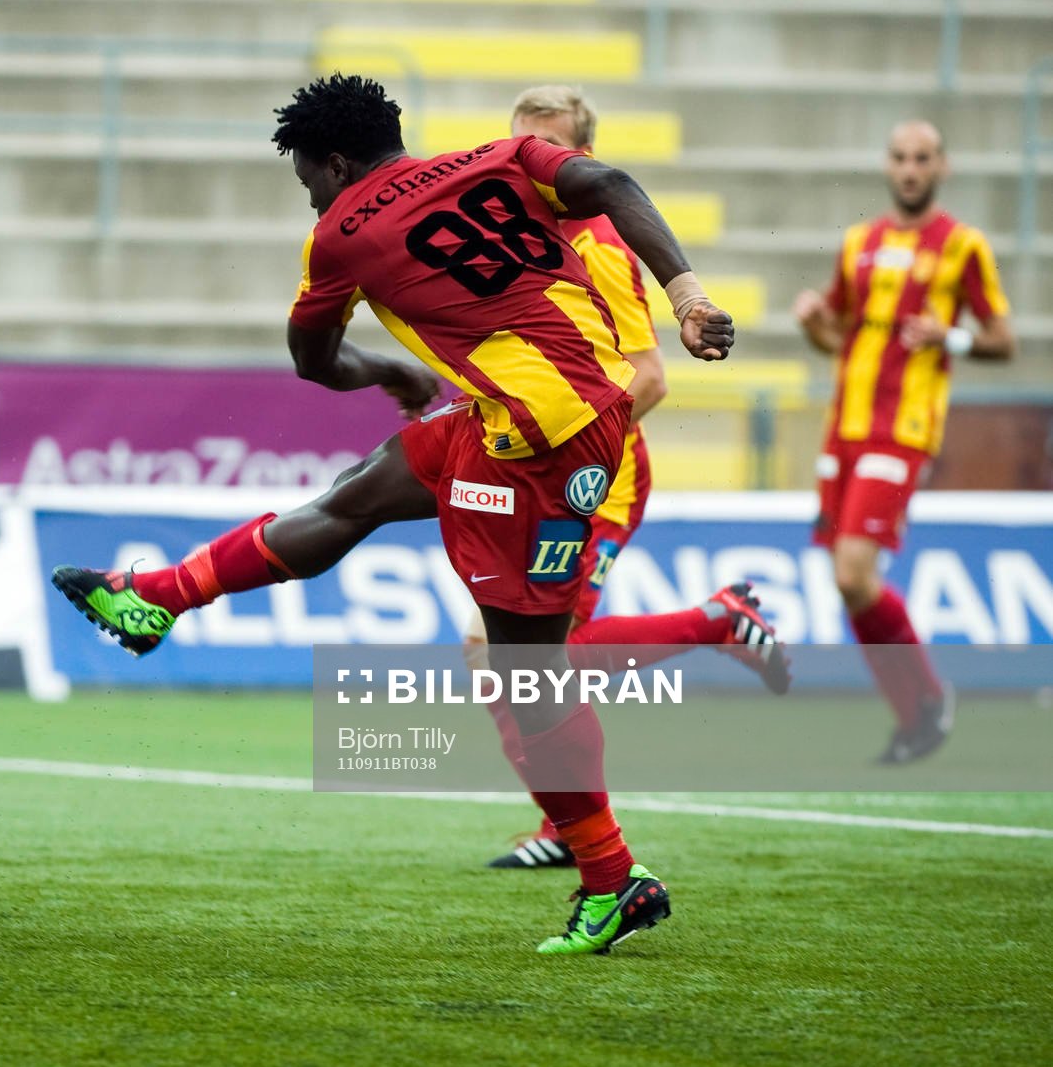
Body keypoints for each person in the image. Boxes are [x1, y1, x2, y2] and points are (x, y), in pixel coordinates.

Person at [53, 74, 735, 954]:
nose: (310, 193)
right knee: (362, 492)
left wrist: (382, 369)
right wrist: (687, 296)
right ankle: (157, 599)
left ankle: (613, 879)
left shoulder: (338, 235)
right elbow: (607, 186)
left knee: (525, 675)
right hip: (535, 414)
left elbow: (313, 360)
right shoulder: (499, 157)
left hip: (537, 444)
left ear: (334, 162)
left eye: (307, 176)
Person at [481, 86, 788, 871]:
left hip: (594, 478)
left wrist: (559, 448)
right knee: (492, 652)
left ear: (580, 157)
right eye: (521, 147)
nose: (532, 165)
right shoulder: (518, 232)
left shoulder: (598, 242)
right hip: (544, 470)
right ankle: (562, 820)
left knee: (539, 653)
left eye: (551, 150)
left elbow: (648, 378)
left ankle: (715, 623)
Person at [794, 120, 1014, 763]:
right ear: (888, 167)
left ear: (942, 167)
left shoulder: (962, 247)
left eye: (922, 159)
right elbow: (840, 338)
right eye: (900, 158)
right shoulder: (859, 242)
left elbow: (1004, 341)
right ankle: (916, 715)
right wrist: (812, 323)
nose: (910, 169)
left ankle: (927, 698)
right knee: (846, 583)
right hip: (845, 430)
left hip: (904, 430)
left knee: (853, 571)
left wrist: (951, 336)